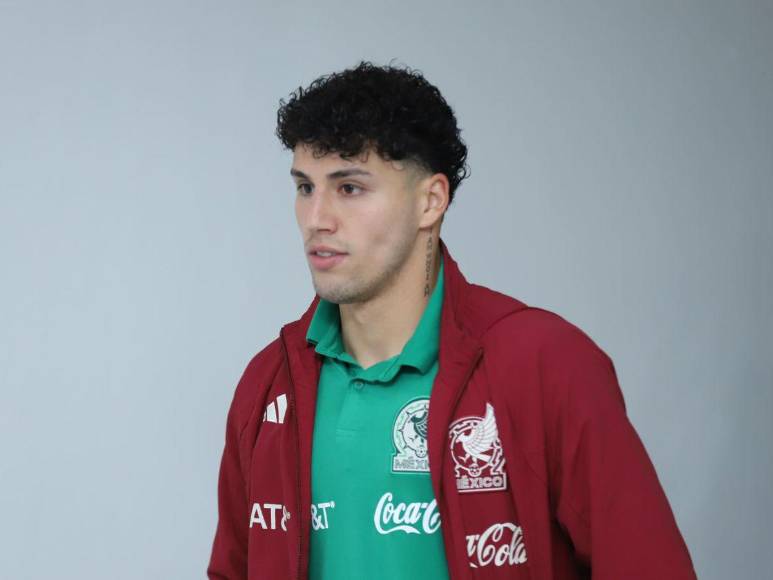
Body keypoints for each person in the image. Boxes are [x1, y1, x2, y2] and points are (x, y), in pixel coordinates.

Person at [207, 60, 697, 580]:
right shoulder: (269, 383)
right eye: (305, 187)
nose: (316, 219)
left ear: (430, 201)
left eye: (349, 188)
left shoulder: (545, 364)